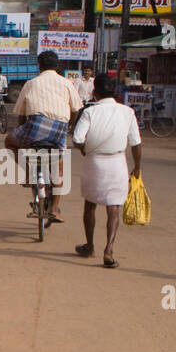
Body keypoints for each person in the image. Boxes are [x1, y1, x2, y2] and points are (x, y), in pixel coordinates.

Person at [71, 73, 141, 269]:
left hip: (95, 162)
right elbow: (136, 144)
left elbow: (77, 139)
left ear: (95, 93)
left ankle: (90, 245)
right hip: (118, 161)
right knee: (113, 208)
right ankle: (109, 250)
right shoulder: (127, 112)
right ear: (115, 92)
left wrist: (85, 150)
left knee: (90, 204)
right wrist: (137, 167)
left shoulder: (90, 112)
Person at [5, 50, 83, 224]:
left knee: (9, 141)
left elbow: (21, 113)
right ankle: (54, 210)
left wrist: (22, 131)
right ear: (57, 66)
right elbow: (76, 109)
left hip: (34, 128)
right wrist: (68, 126)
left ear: (39, 66)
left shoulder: (31, 83)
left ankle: (28, 173)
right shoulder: (66, 83)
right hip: (59, 130)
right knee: (59, 170)